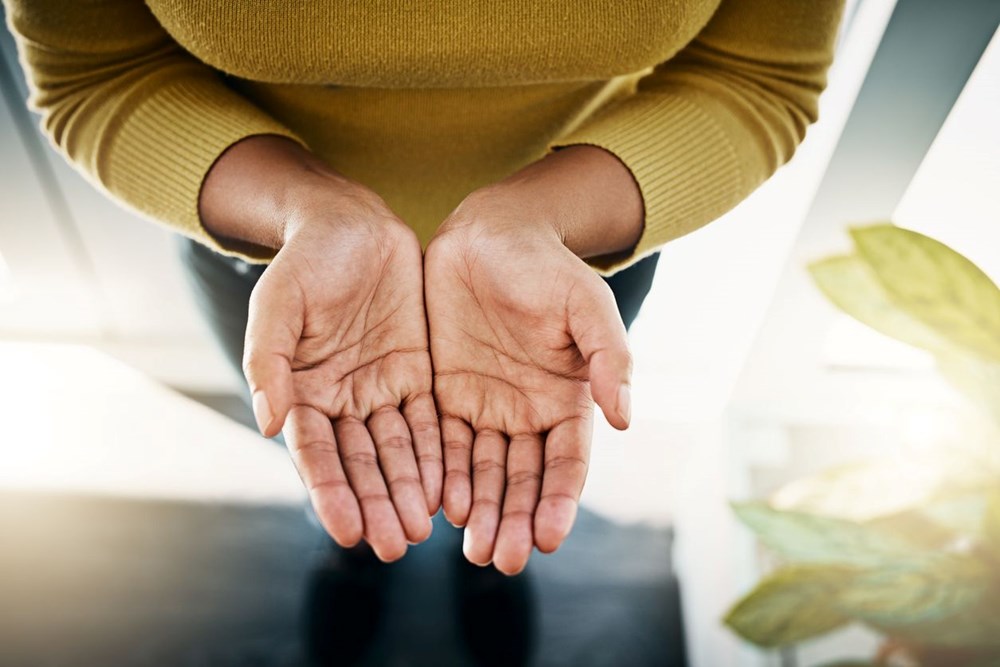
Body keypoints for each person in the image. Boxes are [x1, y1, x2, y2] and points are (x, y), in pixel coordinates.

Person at [4, 0, 845, 575]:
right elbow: (97, 72)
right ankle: (352, 552)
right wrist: (301, 207)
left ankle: (490, 572)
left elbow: (758, 73)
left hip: (563, 260)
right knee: (338, 470)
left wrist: (541, 218)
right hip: (283, 265)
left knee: (509, 484)